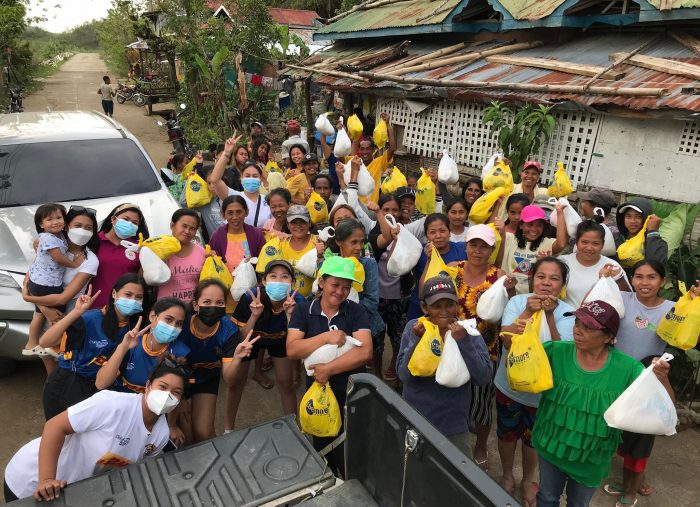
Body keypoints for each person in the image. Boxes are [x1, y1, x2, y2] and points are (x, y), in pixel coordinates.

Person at [532, 300, 673, 507]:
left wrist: (661, 378)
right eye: (577, 323)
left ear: (608, 337)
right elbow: (520, 370)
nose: (578, 331)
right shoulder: (555, 351)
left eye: (588, 327)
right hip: (550, 446)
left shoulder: (627, 368)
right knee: (546, 498)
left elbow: (665, 406)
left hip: (591, 457)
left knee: (578, 504)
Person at [3, 361, 190, 502]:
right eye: (163, 387)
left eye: (176, 392)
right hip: (30, 481)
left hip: (70, 491)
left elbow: (132, 471)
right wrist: (46, 479)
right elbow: (54, 426)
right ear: (148, 385)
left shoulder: (161, 434)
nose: (167, 396)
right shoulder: (112, 404)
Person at [494, 257, 575, 505]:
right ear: (532, 280)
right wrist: (530, 311)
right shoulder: (517, 302)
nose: (547, 283)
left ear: (562, 284)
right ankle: (508, 474)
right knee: (507, 434)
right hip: (509, 386)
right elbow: (507, 341)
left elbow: (558, 353)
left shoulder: (568, 312)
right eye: (541, 277)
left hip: (542, 393)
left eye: (554, 278)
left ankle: (528, 480)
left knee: (533, 439)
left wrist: (549, 316)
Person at [601, 260, 680, 507]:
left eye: (652, 277)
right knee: (620, 433)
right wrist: (602, 278)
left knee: (641, 439)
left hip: (648, 380)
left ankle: (631, 491)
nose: (644, 283)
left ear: (663, 282)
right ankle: (630, 481)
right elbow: (597, 308)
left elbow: (691, 329)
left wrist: (695, 300)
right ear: (631, 279)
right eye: (639, 277)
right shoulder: (623, 299)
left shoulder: (673, 309)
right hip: (616, 378)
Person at [287, 256, 373, 477]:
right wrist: (326, 337)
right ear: (322, 281)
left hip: (351, 392)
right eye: (335, 284)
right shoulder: (303, 311)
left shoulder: (356, 311)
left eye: (346, 287)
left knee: (351, 449)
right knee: (323, 444)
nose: (340, 291)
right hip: (319, 395)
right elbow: (293, 350)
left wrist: (328, 369)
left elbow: (365, 352)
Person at [397, 276, 493, 456]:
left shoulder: (468, 331)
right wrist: (416, 340)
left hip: (453, 423)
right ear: (425, 307)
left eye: (449, 305)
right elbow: (403, 375)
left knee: (454, 478)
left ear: (457, 305)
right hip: (416, 418)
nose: (444, 311)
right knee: (415, 473)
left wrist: (464, 342)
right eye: (436, 306)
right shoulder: (414, 328)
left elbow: (483, 377)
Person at [38, 275, 148, 420]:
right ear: (114, 294)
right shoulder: (92, 318)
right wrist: (77, 312)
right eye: (128, 295)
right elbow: (46, 342)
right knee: (59, 434)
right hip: (67, 382)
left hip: (99, 391)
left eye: (138, 297)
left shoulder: (136, 331)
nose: (132, 301)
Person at [451, 224, 516, 470]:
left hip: (484, 348)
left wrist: (509, 292)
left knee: (482, 402)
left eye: (484, 247)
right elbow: (430, 292)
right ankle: (454, 436)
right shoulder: (452, 269)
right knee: (453, 391)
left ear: (492, 250)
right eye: (473, 245)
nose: (478, 251)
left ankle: (480, 444)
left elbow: (508, 311)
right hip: (453, 343)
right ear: (466, 245)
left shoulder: (498, 276)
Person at [177, 279, 259, 442]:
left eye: (220, 302)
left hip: (207, 379)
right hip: (179, 381)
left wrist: (236, 359)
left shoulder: (228, 330)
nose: (213, 307)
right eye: (207, 301)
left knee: (204, 434)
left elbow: (229, 379)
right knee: (185, 438)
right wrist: (181, 399)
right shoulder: (181, 324)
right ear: (195, 305)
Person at [227, 261, 304, 430]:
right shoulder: (249, 298)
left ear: (292, 283)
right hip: (250, 340)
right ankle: (228, 430)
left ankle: (294, 428)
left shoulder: (298, 301)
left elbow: (296, 339)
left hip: (280, 339)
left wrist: (290, 315)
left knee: (286, 383)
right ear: (264, 281)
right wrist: (254, 316)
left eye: (285, 277)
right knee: (236, 383)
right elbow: (241, 336)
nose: (278, 281)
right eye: (273, 276)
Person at [322, 219, 384, 375]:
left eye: (362, 242)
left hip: (368, 326)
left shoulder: (368, 264)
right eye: (353, 242)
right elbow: (319, 296)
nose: (359, 247)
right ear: (339, 241)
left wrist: (343, 316)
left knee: (369, 372)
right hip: (336, 331)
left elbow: (371, 301)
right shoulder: (329, 264)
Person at [23, 204, 85, 358]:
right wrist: (75, 264)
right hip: (47, 285)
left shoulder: (57, 235)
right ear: (41, 225)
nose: (56, 222)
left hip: (37, 282)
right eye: (49, 219)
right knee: (58, 317)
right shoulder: (49, 238)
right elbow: (58, 258)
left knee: (39, 315)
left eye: (59, 218)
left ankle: (31, 345)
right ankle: (52, 346)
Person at [95, 297, 189, 394]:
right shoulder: (130, 343)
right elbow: (101, 384)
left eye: (179, 323)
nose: (173, 327)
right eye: (168, 319)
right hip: (121, 401)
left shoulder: (181, 353)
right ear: (152, 316)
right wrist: (123, 347)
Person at [369, 195, 412, 381]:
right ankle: (376, 373)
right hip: (377, 297)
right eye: (386, 209)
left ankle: (396, 362)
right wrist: (379, 215)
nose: (390, 214)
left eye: (394, 210)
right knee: (376, 339)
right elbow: (383, 240)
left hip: (399, 296)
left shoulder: (407, 233)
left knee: (397, 337)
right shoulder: (372, 233)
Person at [404, 214, 467, 320]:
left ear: (449, 232)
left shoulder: (462, 249)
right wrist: (429, 259)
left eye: (442, 231)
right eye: (433, 232)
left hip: (451, 309)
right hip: (421, 309)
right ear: (427, 235)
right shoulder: (418, 251)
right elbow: (421, 292)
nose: (438, 236)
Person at [495, 204, 569, 294]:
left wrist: (560, 213)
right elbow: (489, 232)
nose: (534, 229)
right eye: (530, 225)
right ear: (521, 225)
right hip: (506, 295)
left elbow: (561, 244)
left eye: (539, 225)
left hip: (534, 299)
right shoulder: (509, 239)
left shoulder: (546, 243)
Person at [91, 203, 149, 309]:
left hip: (124, 310)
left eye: (134, 223)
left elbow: (142, 280)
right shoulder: (94, 241)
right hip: (92, 307)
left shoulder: (139, 247)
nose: (129, 224)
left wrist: (146, 256)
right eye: (126, 219)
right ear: (113, 219)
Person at [560, 221, 630, 309]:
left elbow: (628, 298)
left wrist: (619, 279)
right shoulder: (562, 262)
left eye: (595, 243)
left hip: (599, 321)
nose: (589, 248)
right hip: (564, 319)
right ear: (576, 242)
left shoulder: (612, 266)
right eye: (584, 242)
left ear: (602, 244)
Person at [256, 205, 321, 298]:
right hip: (282, 300)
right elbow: (264, 274)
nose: (298, 226)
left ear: (309, 223)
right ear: (287, 225)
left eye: (302, 222)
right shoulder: (278, 243)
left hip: (311, 301)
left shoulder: (319, 243)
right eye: (293, 222)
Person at [211, 139, 271, 228]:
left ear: (260, 180)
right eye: (247, 176)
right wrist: (227, 152)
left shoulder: (267, 201)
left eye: (255, 176)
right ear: (241, 179)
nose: (251, 178)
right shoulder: (234, 196)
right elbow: (215, 180)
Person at [157, 209, 206, 303]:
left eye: (192, 228)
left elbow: (204, 282)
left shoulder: (201, 252)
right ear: (172, 225)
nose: (187, 231)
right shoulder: (159, 249)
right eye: (184, 226)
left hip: (192, 308)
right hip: (166, 308)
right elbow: (144, 277)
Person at [208, 195, 266, 275]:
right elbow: (214, 263)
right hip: (226, 285)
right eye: (230, 213)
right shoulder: (217, 236)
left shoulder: (256, 234)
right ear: (223, 215)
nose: (235, 217)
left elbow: (264, 262)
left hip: (252, 285)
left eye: (239, 212)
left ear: (246, 212)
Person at [352, 111, 396, 203]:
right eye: (362, 149)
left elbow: (392, 148)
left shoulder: (379, 163)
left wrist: (388, 125)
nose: (365, 152)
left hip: (372, 208)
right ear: (359, 151)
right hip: (356, 207)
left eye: (368, 149)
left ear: (373, 150)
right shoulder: (355, 163)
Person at [615, 197, 667, 268]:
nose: (632, 221)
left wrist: (652, 232)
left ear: (646, 218)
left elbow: (656, 265)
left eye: (638, 217)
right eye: (628, 216)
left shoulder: (655, 242)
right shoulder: (616, 239)